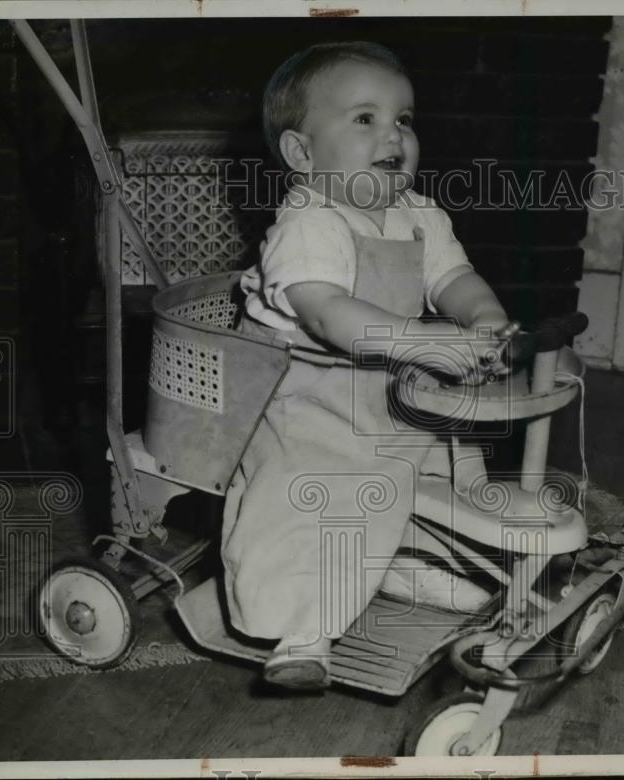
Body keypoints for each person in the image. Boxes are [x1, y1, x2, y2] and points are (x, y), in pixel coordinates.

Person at [221, 41, 511, 691]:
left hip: (388, 384)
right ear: (302, 154)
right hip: (304, 391)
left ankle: (414, 563)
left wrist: (484, 318)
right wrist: (421, 342)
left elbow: (454, 277)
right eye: (365, 119)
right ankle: (301, 629)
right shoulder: (308, 222)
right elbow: (327, 313)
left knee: (444, 459)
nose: (394, 136)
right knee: (314, 487)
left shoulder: (417, 215)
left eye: (404, 119)